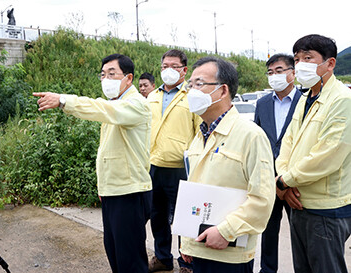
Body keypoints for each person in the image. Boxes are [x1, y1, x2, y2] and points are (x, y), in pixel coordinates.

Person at [33, 54, 152, 273]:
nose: (106, 79)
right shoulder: (115, 104)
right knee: (115, 254)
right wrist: (102, 186)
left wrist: (63, 100)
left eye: (112, 73)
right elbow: (108, 150)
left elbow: (99, 108)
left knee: (130, 260)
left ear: (129, 78)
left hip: (129, 191)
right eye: (103, 74)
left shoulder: (136, 105)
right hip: (112, 190)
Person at [179, 56, 275, 273]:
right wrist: (187, 240)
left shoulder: (250, 135)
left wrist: (226, 231)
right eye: (190, 84)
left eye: (199, 84)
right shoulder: (200, 135)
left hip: (229, 253)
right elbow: (196, 189)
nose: (191, 91)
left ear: (223, 91)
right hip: (199, 247)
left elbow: (262, 199)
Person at [275, 34, 351, 273]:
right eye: (297, 59)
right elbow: (288, 142)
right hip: (297, 201)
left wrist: (284, 181)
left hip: (325, 208)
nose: (300, 65)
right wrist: (283, 181)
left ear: (330, 63)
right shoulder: (306, 97)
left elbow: (328, 155)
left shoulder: (342, 100)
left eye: (308, 58)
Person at [147, 49, 201, 273]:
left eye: (174, 66)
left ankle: (186, 262)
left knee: (185, 219)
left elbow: (200, 132)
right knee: (157, 216)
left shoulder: (192, 96)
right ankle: (162, 257)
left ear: (184, 70)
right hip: (153, 166)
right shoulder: (152, 96)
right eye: (164, 66)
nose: (168, 70)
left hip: (180, 169)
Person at [255, 53, 301, 273]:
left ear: (293, 73)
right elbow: (257, 140)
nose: (274, 76)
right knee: (268, 231)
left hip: (296, 182)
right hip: (268, 180)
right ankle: (267, 270)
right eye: (271, 72)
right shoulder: (262, 103)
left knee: (300, 234)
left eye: (280, 71)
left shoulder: (306, 101)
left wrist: (291, 179)